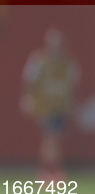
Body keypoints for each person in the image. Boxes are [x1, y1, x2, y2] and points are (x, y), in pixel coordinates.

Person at [21, 28, 79, 182]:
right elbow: (30, 80)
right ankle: (46, 171)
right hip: (45, 105)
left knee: (56, 138)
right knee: (49, 138)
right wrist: (29, 98)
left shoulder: (67, 62)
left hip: (59, 106)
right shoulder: (39, 60)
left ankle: (54, 171)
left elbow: (71, 84)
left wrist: (71, 102)